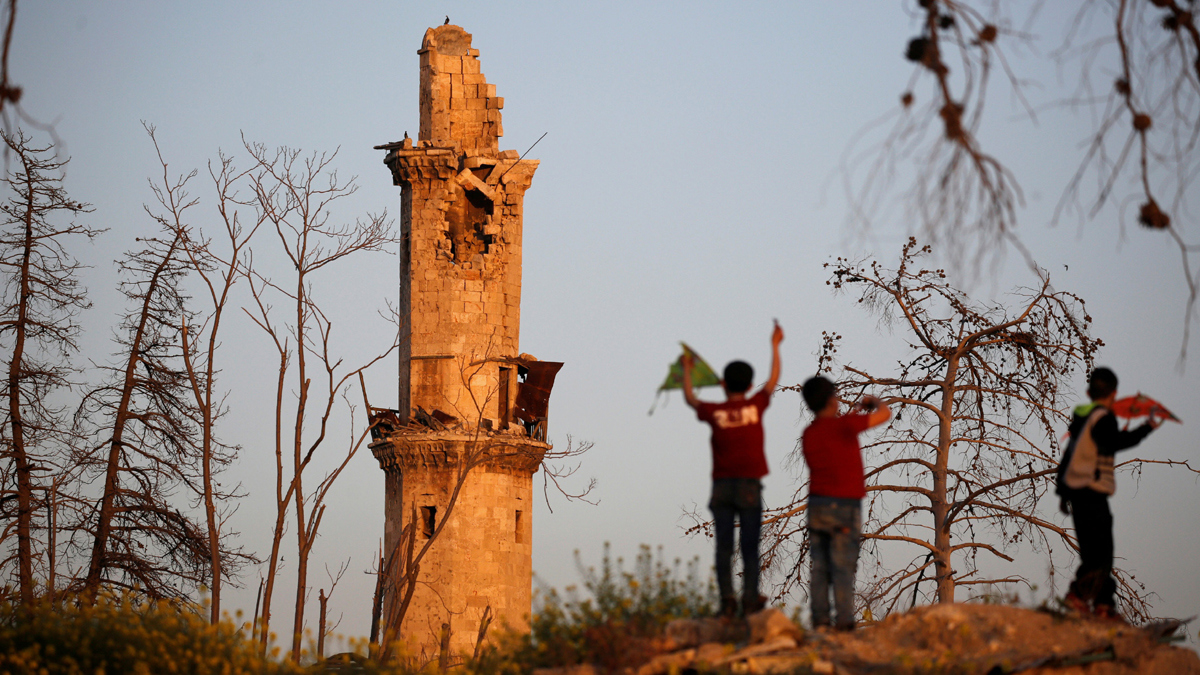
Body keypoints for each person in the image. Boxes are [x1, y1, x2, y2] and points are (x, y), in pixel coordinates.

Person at [681, 322, 783, 618]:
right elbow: (773, 381)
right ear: (750, 386)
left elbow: (690, 399)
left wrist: (687, 370)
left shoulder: (715, 412)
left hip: (722, 487)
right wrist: (775, 345)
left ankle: (727, 600)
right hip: (750, 486)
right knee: (750, 545)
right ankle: (750, 598)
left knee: (724, 548)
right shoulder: (755, 405)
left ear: (723, 384)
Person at [1056, 367, 1161, 621]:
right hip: (1092, 493)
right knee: (1101, 553)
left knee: (1095, 552)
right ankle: (1080, 599)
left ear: (1088, 392)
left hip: (1077, 494)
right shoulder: (1103, 417)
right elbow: (1114, 442)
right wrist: (1147, 427)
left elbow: (1068, 457)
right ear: (1114, 394)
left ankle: (1104, 605)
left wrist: (1062, 493)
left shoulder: (1082, 420)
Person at [799, 376, 890, 631]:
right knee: (842, 565)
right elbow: (885, 414)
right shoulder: (846, 426)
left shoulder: (809, 433)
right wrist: (874, 401)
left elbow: (831, 435)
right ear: (831, 399)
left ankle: (820, 620)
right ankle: (845, 621)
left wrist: (850, 416)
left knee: (819, 566)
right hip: (845, 505)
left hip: (817, 505)